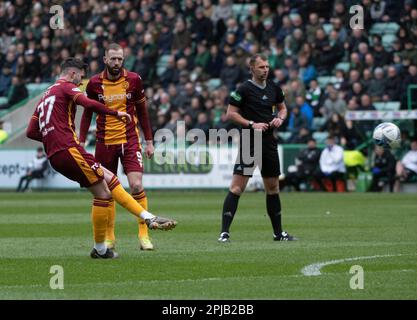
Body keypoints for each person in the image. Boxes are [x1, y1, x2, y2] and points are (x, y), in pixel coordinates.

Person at [26, 57, 177, 259]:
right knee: (110, 182)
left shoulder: (45, 96)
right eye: (80, 76)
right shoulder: (66, 87)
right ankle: (147, 218)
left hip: (56, 154)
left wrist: (52, 138)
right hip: (69, 149)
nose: (81, 81)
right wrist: (115, 113)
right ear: (72, 73)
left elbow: (31, 131)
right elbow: (88, 103)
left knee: (104, 192)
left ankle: (101, 249)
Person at [79, 43, 155, 251]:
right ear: (105, 59)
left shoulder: (134, 80)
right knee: (107, 190)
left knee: (136, 185)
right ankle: (111, 237)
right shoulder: (94, 83)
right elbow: (87, 113)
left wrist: (149, 141)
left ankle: (144, 235)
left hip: (130, 139)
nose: (116, 63)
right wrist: (82, 140)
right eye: (112, 59)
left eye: (119, 59)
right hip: (104, 142)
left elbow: (143, 110)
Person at [218, 53, 296, 243]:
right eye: (261, 67)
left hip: (268, 142)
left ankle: (278, 234)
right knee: (237, 187)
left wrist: (280, 118)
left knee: (273, 187)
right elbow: (231, 114)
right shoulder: (243, 89)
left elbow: (283, 108)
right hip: (249, 140)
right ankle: (224, 233)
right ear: (252, 69)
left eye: (267, 67)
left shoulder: (274, 88)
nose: (266, 70)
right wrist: (252, 124)